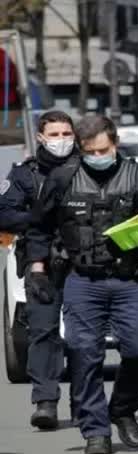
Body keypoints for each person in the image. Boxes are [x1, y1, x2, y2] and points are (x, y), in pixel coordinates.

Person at [26, 114, 138, 454]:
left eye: (102, 150)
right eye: (88, 151)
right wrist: (38, 268)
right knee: (83, 354)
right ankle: (95, 430)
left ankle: (122, 409)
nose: (96, 157)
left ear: (115, 143)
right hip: (82, 280)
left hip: (130, 279)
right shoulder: (62, 178)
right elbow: (39, 227)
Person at [0, 110, 79, 430]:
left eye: (66, 134)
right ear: (42, 137)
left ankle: (84, 399)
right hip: (40, 262)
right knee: (43, 331)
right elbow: (4, 214)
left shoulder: (87, 169)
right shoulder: (24, 174)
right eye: (55, 134)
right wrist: (44, 220)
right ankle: (45, 401)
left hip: (84, 262)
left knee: (83, 334)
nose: (61, 140)